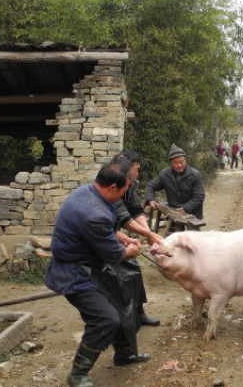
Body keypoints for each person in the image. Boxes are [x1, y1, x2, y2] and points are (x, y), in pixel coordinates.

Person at [44, 161, 150, 387]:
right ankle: (77, 374)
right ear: (112, 187)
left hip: (92, 263)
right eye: (123, 191)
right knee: (105, 319)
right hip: (74, 272)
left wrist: (124, 238)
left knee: (124, 296)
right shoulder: (93, 213)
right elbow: (116, 256)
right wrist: (131, 250)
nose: (123, 196)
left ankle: (123, 354)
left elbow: (106, 231)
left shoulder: (88, 192)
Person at [112, 150, 164, 327]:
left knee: (133, 267)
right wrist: (148, 235)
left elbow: (135, 210)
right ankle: (122, 319)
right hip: (98, 239)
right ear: (124, 169)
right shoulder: (112, 183)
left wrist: (149, 234)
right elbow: (123, 217)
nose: (137, 173)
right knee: (119, 274)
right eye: (136, 169)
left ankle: (139, 313)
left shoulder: (129, 184)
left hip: (110, 232)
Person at [145, 144, 206, 219]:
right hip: (173, 210)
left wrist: (185, 208)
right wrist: (151, 200)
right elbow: (150, 186)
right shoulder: (165, 174)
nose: (179, 165)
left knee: (193, 229)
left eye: (181, 162)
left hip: (192, 211)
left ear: (185, 160)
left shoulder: (195, 174)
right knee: (173, 229)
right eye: (175, 162)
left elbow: (199, 196)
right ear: (171, 162)